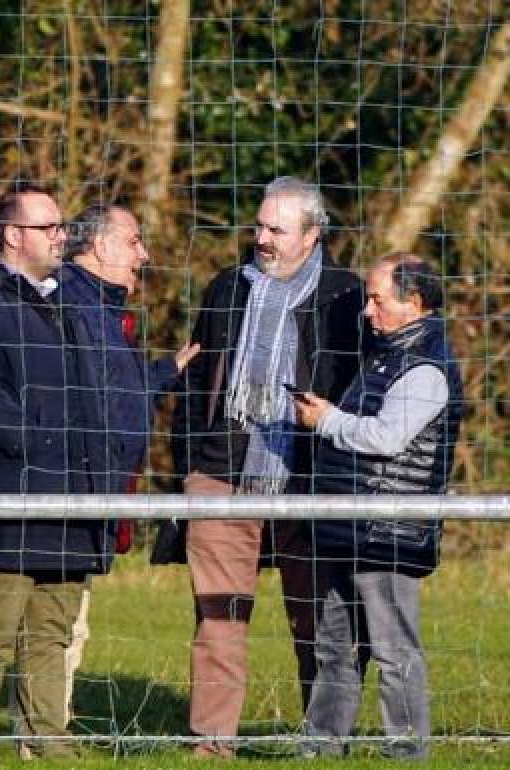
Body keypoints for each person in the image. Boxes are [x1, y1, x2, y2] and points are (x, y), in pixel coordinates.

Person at [168, 176, 365, 757]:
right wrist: (192, 462)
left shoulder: (346, 295)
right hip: (220, 472)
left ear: (312, 234)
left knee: (319, 622)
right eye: (258, 225)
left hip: (309, 479)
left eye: (276, 229)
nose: (261, 238)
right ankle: (212, 742)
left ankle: (324, 740)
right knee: (218, 619)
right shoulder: (227, 288)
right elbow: (198, 381)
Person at [0, 185, 105, 760]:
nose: (62, 236)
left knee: (51, 633)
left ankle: (49, 741)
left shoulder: (72, 303)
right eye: (49, 226)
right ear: (13, 235)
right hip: (9, 492)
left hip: (69, 498)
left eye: (61, 226)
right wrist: (42, 439)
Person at [294, 254, 462, 759]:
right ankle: (322, 745)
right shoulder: (386, 353)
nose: (367, 311)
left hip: (390, 531)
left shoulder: (427, 365)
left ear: (414, 303)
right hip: (349, 524)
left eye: (377, 299)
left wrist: (326, 420)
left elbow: (388, 437)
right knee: (334, 647)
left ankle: (407, 749)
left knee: (393, 650)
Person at [46, 204, 198, 729]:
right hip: (72, 497)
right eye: (134, 241)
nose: (144, 254)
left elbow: (118, 396)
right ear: (101, 246)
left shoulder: (104, 310)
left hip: (96, 497)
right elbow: (93, 406)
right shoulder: (73, 306)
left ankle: (46, 728)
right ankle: (41, 733)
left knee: (70, 621)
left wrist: (166, 372)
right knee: (55, 624)